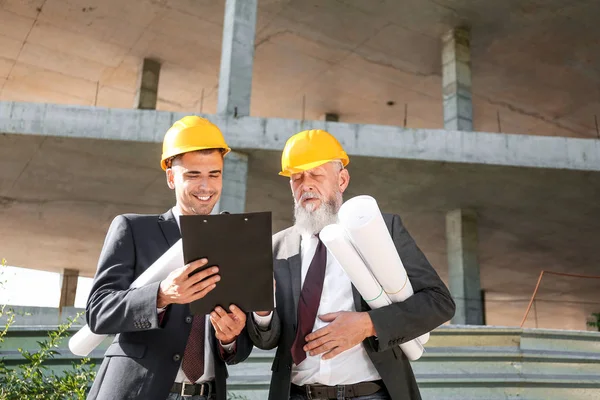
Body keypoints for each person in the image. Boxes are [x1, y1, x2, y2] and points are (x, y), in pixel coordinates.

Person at [247, 129, 456, 400]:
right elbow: (266, 340)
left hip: (371, 394)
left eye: (316, 174)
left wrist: (368, 324)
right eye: (296, 177)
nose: (305, 185)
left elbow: (440, 303)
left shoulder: (381, 230)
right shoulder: (276, 248)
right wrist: (262, 314)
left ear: (342, 180)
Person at [86, 116, 253, 400]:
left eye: (214, 174)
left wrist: (230, 338)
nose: (206, 186)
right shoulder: (133, 229)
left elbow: (238, 350)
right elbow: (98, 312)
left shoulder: (235, 242)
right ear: (171, 177)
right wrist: (161, 295)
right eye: (193, 175)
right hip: (138, 392)